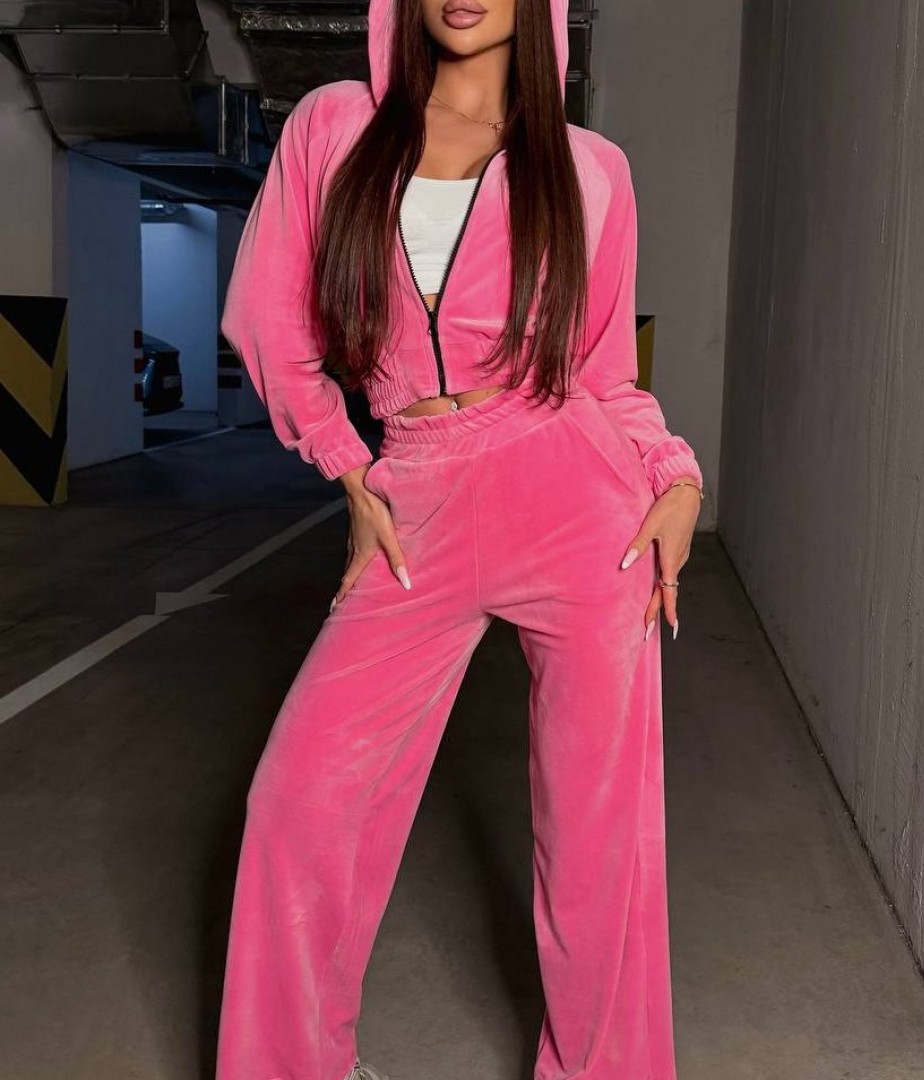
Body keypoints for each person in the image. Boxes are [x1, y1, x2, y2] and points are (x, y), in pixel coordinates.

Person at [214, 1, 705, 1078]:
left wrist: (675, 475)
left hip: (576, 501)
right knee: (299, 802)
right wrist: (347, 467)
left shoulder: (591, 170)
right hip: (415, 499)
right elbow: (269, 321)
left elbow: (605, 374)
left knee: (600, 839)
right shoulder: (338, 128)